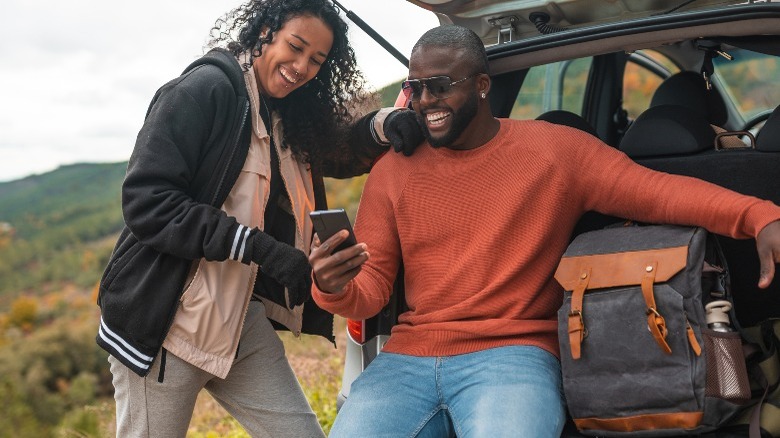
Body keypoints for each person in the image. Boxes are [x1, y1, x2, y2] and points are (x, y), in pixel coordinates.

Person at [309, 25, 780, 437]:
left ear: (482, 86)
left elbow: (659, 192)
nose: (426, 101)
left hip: (514, 356)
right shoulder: (394, 169)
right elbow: (370, 291)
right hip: (405, 361)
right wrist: (332, 286)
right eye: (415, 88)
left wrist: (759, 216)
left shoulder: (557, 153)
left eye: (439, 86)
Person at [95, 0, 423, 436]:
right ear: (266, 29)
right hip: (167, 324)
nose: (302, 66)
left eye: (316, 60)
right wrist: (263, 250)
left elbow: (334, 149)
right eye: (296, 46)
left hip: (237, 320)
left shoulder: (287, 109)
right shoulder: (205, 90)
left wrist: (382, 126)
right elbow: (147, 203)